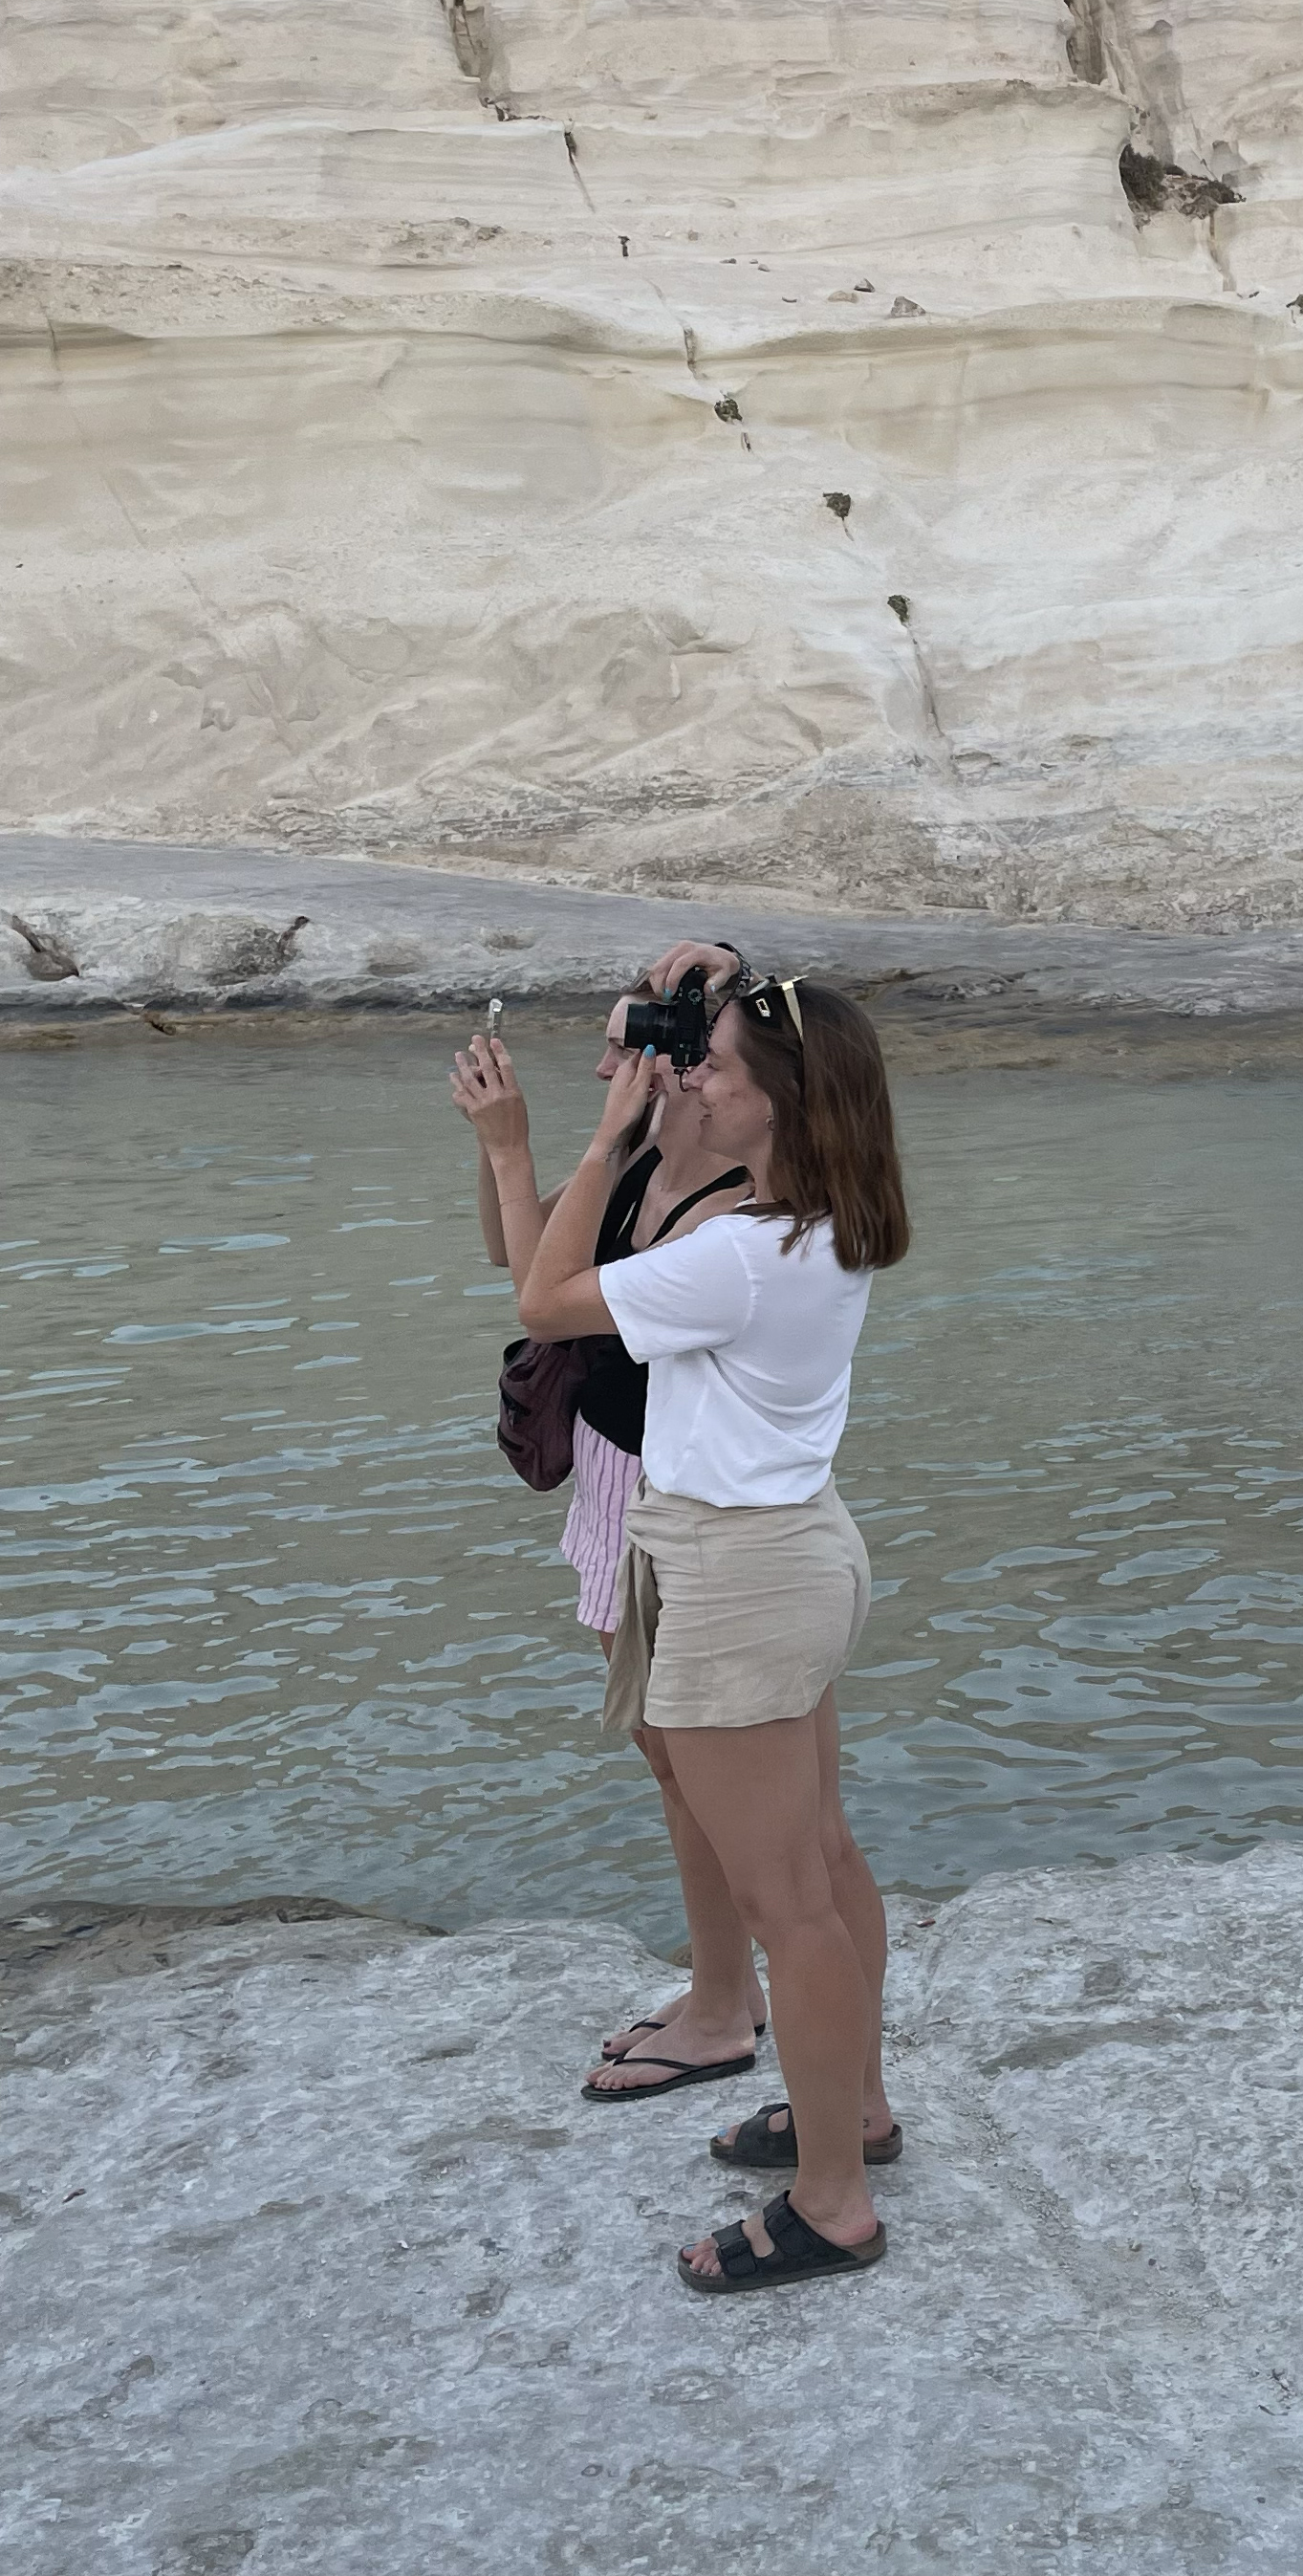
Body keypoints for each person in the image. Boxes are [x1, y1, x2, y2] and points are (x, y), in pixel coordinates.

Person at [519, 963, 911, 2292]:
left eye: (720, 1073)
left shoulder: (736, 1258)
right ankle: (850, 2110)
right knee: (825, 1857)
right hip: (793, 1548)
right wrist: (695, 996)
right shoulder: (821, 1221)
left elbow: (543, 1298)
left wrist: (599, 1138)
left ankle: (832, 2204)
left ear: (780, 1105)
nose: (695, 1082)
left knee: (784, 1903)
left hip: (740, 1576)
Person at [453, 993, 771, 2091]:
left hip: (671, 1491)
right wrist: (513, 1148)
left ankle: (726, 2008)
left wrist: (559, 1145)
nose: (609, 1074)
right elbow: (514, 1249)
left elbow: (547, 1302)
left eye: (630, 1054)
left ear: (694, 1072)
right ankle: (724, 1983)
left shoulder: (725, 1212)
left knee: (695, 1768)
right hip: (609, 1475)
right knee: (667, 1760)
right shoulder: (645, 1164)